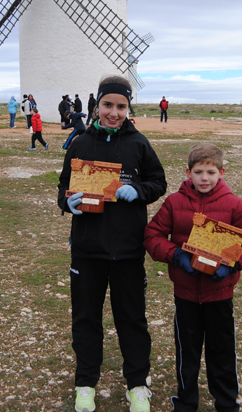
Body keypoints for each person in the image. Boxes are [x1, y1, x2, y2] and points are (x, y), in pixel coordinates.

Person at [58, 75, 167, 412]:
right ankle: (85, 384)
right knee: (86, 319)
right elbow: (63, 186)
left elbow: (158, 181)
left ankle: (137, 385)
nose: (114, 112)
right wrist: (67, 203)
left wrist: (140, 192)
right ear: (97, 106)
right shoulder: (79, 144)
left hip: (128, 250)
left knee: (131, 319)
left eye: (121, 106)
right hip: (87, 251)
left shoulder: (139, 144)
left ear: (128, 108)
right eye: (108, 105)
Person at [144, 143, 242, 412]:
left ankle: (226, 403)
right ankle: (186, 402)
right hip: (185, 294)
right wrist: (176, 256)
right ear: (188, 172)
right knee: (187, 352)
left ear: (222, 173)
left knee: (222, 351)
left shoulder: (234, 205)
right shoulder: (174, 202)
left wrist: (232, 265)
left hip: (219, 294)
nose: (204, 178)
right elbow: (153, 235)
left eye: (211, 172)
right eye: (198, 172)